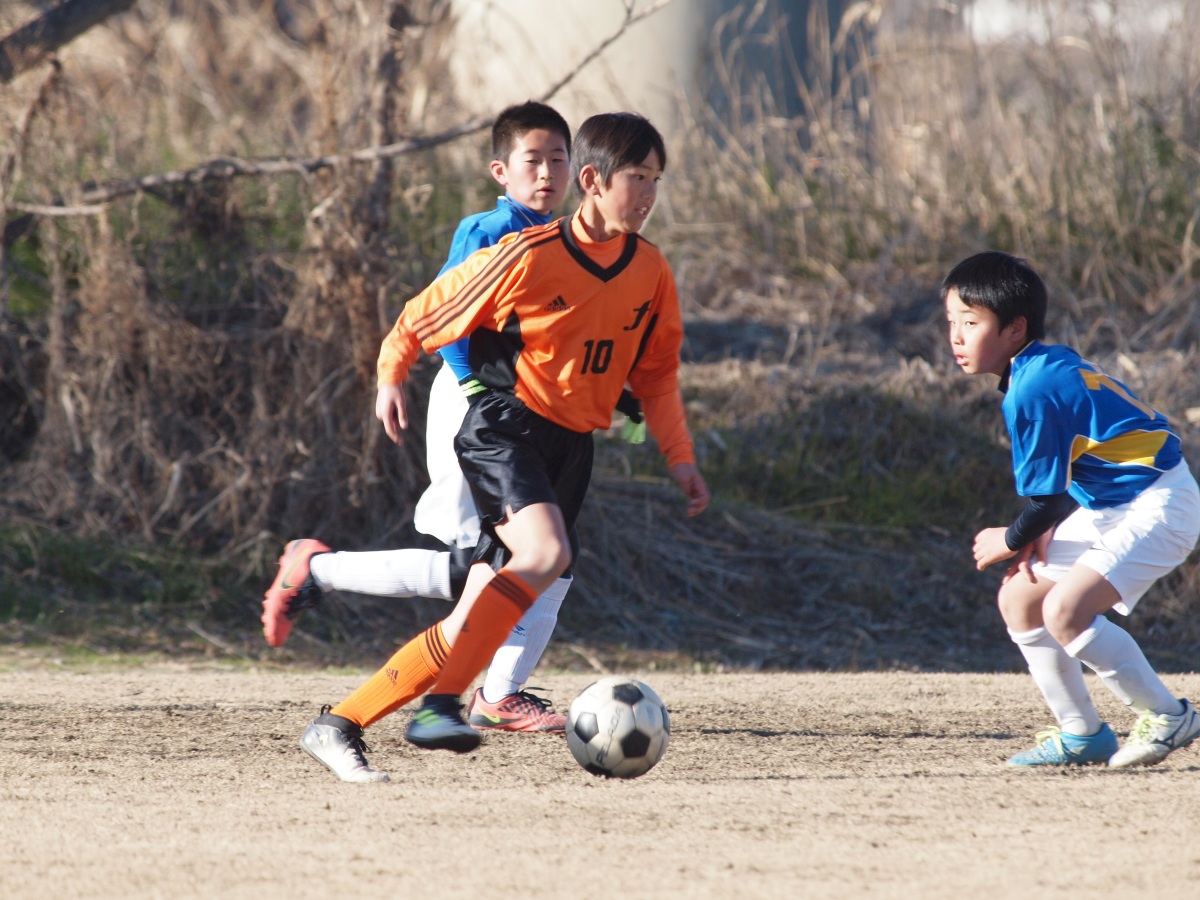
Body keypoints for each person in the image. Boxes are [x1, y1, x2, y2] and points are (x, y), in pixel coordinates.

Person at [295, 110, 709, 781]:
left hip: (570, 447)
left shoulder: (651, 271)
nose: (648, 194)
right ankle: (442, 706)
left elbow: (658, 375)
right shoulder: (528, 253)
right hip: (506, 430)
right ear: (593, 181)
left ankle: (338, 724)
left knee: (476, 613)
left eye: (656, 179)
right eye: (637, 177)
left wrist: (680, 457)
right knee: (546, 554)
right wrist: (390, 373)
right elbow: (421, 315)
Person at [261, 101, 578, 743]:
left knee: (544, 562)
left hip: (527, 415)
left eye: (558, 159)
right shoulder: (489, 229)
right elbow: (440, 315)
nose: (547, 172)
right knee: (491, 564)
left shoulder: (564, 239)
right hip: (476, 405)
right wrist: (456, 383)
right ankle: (320, 573)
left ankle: (497, 694)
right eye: (532, 160)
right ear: (501, 171)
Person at [943, 250, 1200, 768]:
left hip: (1159, 505)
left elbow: (1046, 499)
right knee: (1020, 597)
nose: (956, 336)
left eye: (970, 322)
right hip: (1116, 504)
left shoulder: (1031, 389)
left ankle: (1169, 715)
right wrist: (1038, 528)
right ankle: (1082, 733)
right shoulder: (1044, 364)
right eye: (951, 322)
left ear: (1015, 329)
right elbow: (1074, 479)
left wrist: (1009, 538)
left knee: (1065, 610)